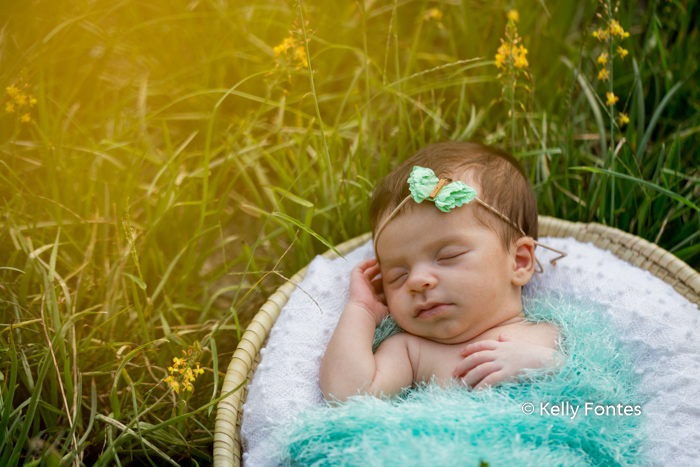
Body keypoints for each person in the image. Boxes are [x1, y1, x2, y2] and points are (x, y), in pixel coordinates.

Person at [319, 141, 566, 401]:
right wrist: (362, 310)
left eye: (448, 257)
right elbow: (347, 397)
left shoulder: (550, 333)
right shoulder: (412, 354)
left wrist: (545, 362)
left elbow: (598, 388)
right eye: (397, 276)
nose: (416, 280)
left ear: (519, 262)